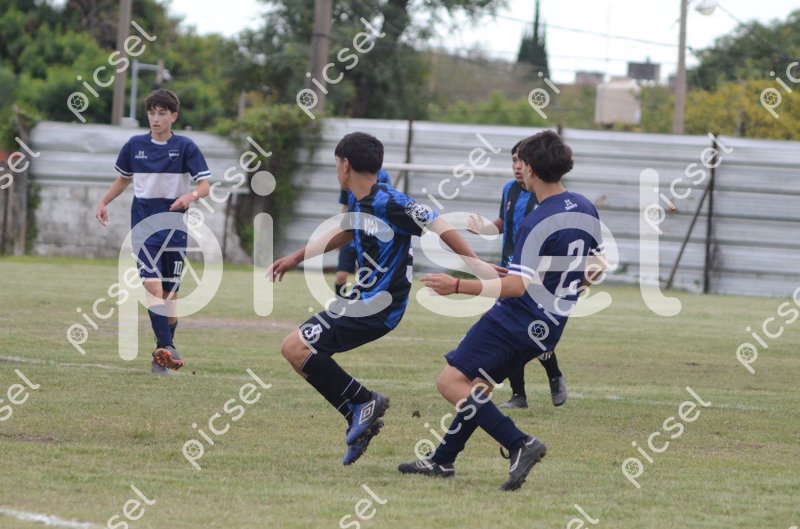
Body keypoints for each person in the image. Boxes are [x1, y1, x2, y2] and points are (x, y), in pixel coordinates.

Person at [268, 132, 492, 466]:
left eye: (336, 163)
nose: (336, 169)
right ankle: (358, 414)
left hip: (377, 305)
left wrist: (475, 264)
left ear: (345, 164)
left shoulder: (389, 201)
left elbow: (437, 222)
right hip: (364, 299)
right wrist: (296, 257)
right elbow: (347, 232)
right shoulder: (361, 199)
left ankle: (363, 402)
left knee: (296, 347)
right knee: (300, 354)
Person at [399, 130, 603, 491]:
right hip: (551, 324)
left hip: (517, 318)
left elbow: (517, 288)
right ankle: (443, 459)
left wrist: (457, 285)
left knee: (450, 381)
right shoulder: (584, 206)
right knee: (478, 387)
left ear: (532, 168)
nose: (518, 168)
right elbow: (595, 266)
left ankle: (520, 443)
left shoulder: (537, 219)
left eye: (521, 161)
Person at [95, 89, 211, 375]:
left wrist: (189, 197)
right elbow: (123, 179)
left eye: (162, 113)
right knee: (152, 286)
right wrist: (103, 201)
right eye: (151, 113)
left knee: (170, 299)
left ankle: (164, 347)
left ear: (174, 116)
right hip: (144, 228)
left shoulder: (185, 147)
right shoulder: (134, 145)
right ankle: (165, 349)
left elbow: (205, 186)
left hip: (174, 230)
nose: (156, 118)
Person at [467, 140, 566, 409]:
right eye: (513, 160)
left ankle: (554, 375)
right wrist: (484, 228)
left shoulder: (544, 195)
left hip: (536, 275)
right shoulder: (509, 189)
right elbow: (503, 223)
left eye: (521, 161)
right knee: (511, 332)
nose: (517, 166)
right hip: (509, 271)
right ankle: (518, 395)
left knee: (535, 330)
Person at [334, 169, 391, 298]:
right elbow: (345, 208)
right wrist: (340, 233)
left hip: (369, 237)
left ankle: (359, 303)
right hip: (351, 235)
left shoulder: (382, 176)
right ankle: (340, 302)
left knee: (365, 277)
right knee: (341, 275)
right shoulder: (346, 176)